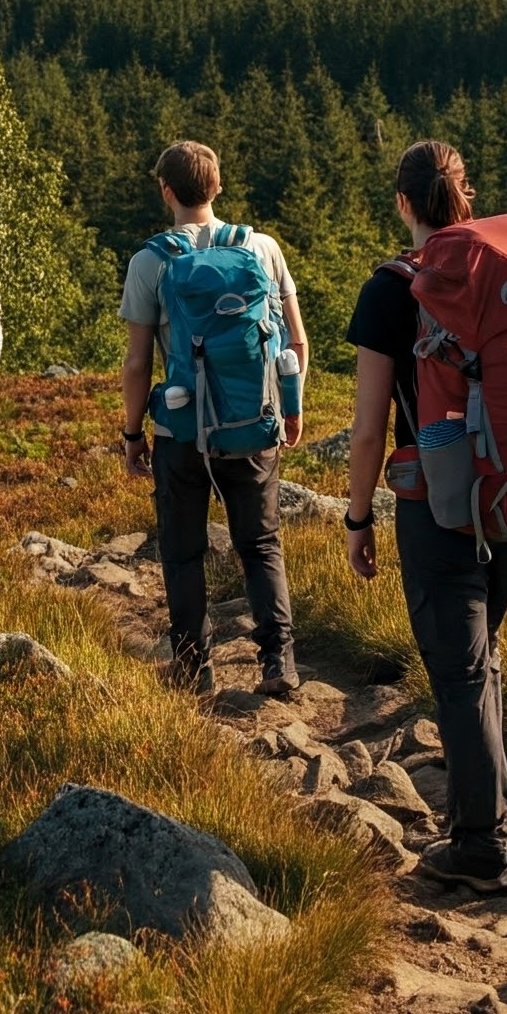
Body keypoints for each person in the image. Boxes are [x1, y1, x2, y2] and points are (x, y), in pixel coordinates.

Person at [342, 138, 507, 892]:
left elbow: (367, 428)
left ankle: (481, 850)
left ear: (404, 205)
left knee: (459, 673)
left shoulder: (391, 292)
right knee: (480, 663)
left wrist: (357, 520)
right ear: (467, 198)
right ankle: (497, 816)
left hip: (438, 504)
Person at [119, 139, 308, 699]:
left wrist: (133, 434)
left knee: (182, 550)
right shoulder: (264, 249)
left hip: (180, 430)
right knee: (261, 545)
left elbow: (136, 363)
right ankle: (279, 662)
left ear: (166, 191)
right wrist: (290, 409)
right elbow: (295, 340)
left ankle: (192, 667)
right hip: (253, 423)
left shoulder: (151, 261)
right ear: (218, 185)